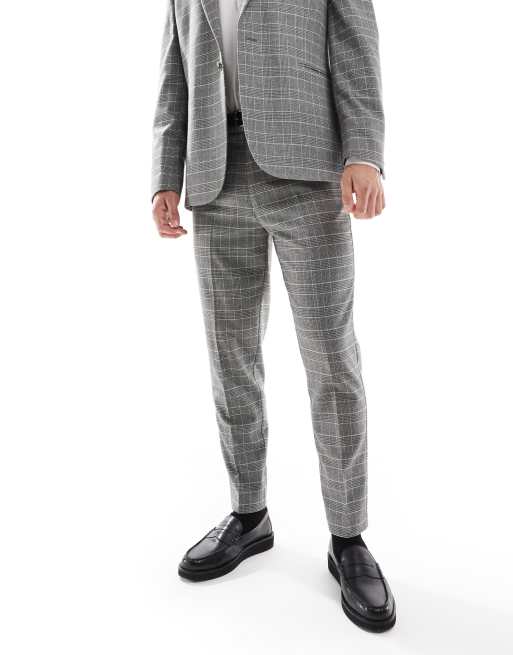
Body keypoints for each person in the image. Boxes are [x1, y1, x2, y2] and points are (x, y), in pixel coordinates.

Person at [151, 0, 395, 632]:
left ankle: (348, 537)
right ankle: (249, 513)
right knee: (229, 356)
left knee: (331, 357)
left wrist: (364, 152)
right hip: (213, 174)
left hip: (309, 169)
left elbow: (356, 47)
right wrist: (164, 177)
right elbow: (174, 73)